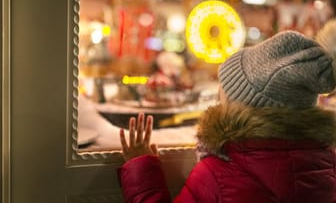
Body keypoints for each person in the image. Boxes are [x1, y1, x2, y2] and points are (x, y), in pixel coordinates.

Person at [117, 21, 336, 202]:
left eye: (226, 90)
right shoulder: (327, 166)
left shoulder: (218, 174)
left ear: (243, 105)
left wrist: (140, 168)